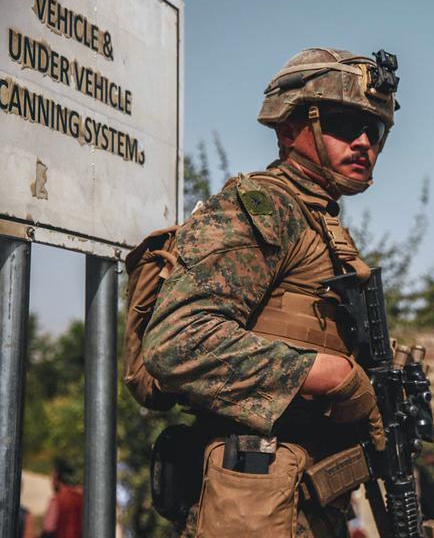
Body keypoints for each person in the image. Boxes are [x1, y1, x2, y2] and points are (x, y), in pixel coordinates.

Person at [143, 47, 402, 537]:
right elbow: (177, 343)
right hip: (251, 506)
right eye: (346, 123)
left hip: (299, 503)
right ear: (288, 129)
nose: (365, 142)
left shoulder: (320, 225)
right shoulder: (264, 208)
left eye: (377, 130)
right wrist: (326, 373)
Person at [42, 458, 83, 538]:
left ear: (56, 476)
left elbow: (48, 529)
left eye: (52, 476)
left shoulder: (57, 500)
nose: (51, 481)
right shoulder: (83, 498)